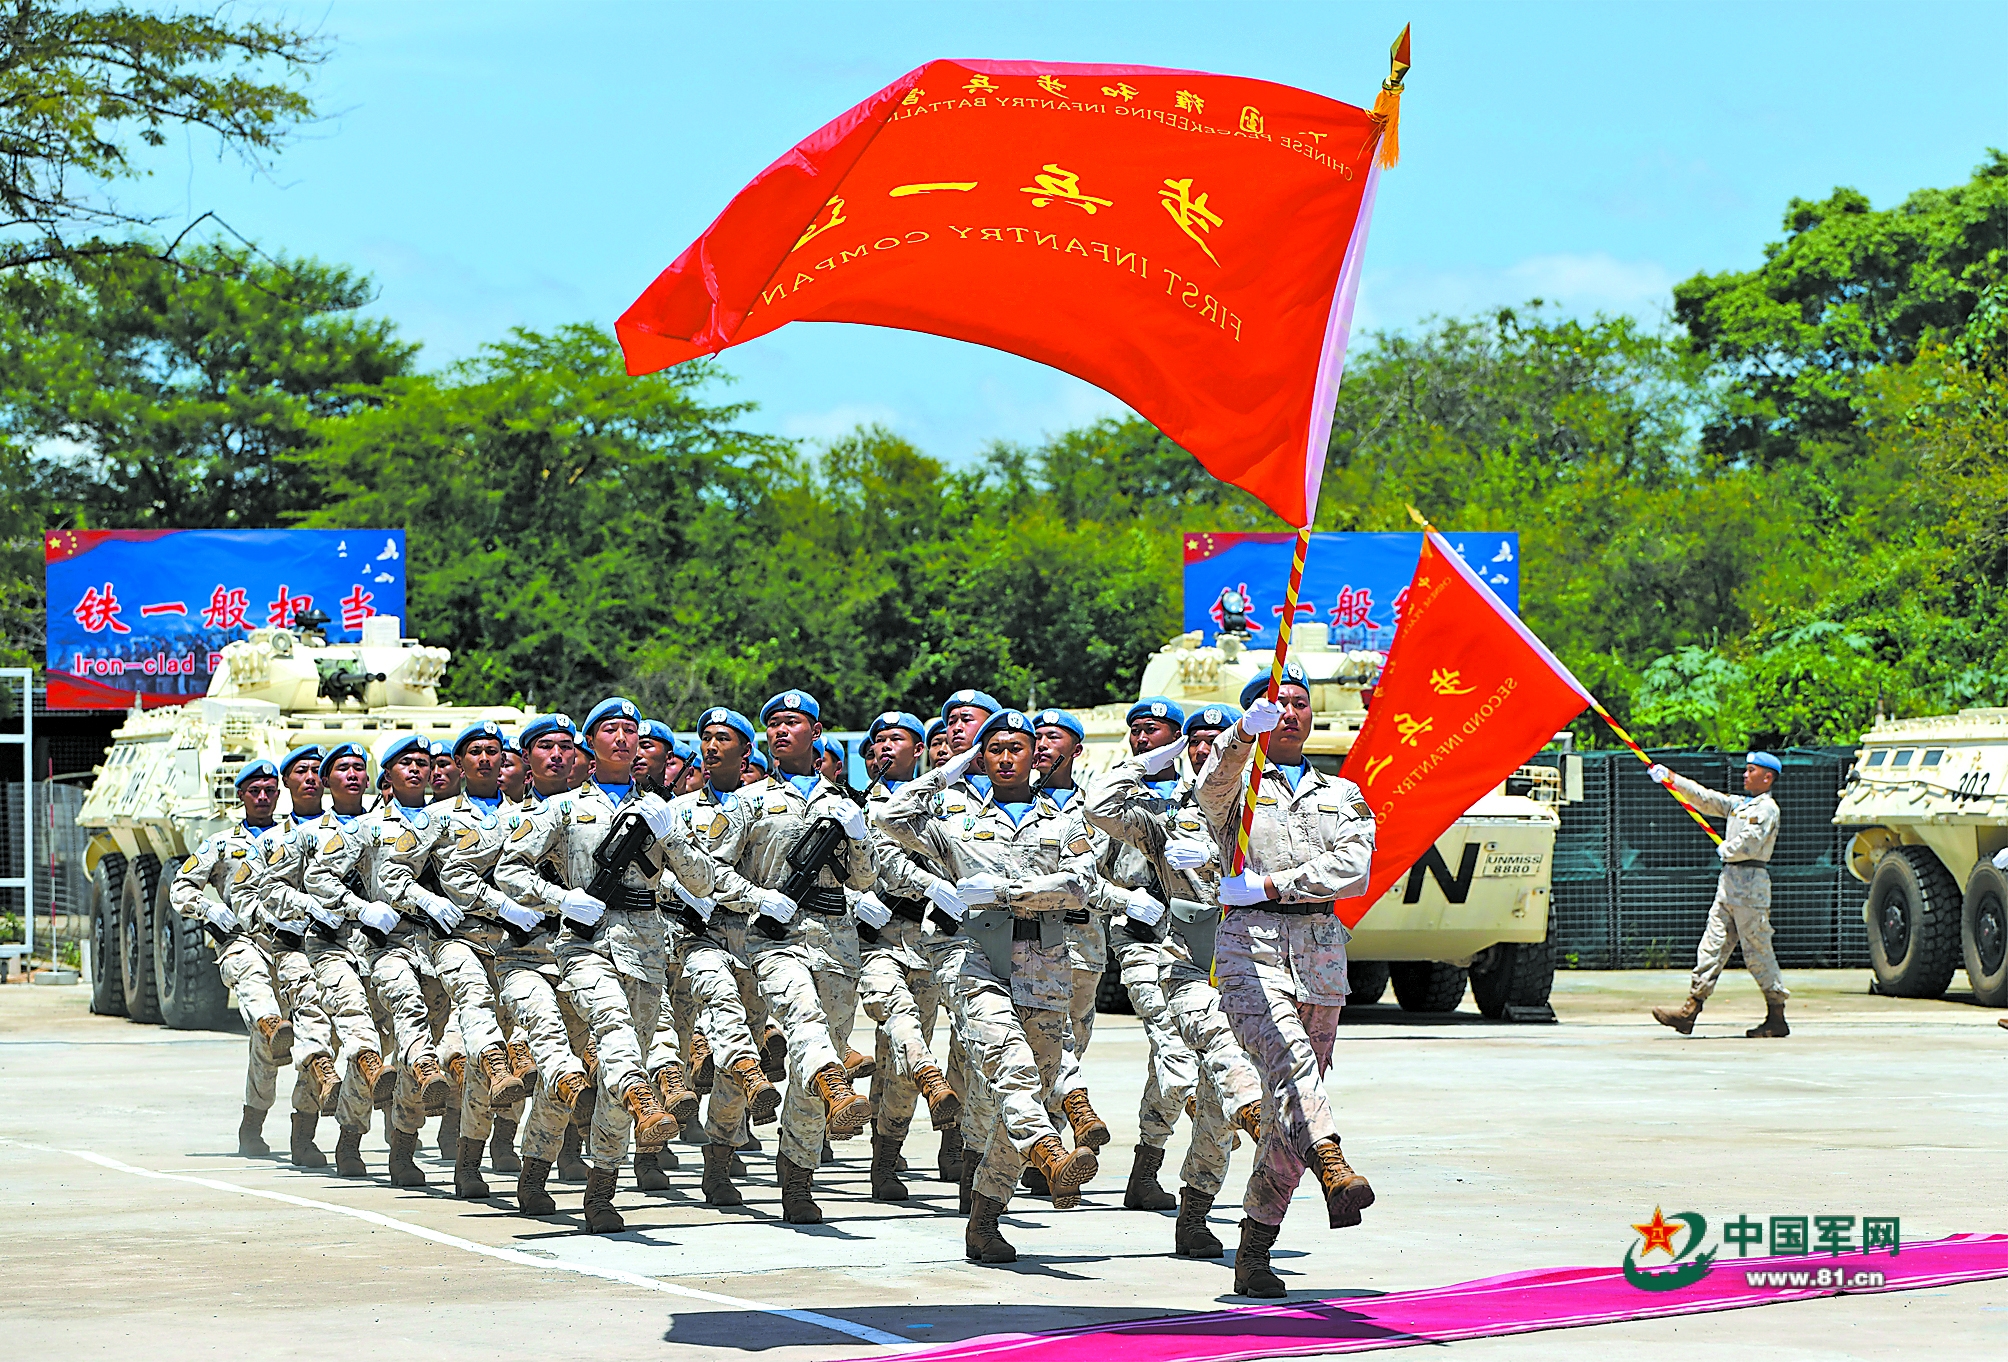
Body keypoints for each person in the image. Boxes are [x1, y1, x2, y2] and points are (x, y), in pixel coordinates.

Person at [877, 709, 1101, 1264]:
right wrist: (951, 767)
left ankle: (985, 1215)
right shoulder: (952, 815)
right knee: (1009, 1063)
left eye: (1015, 748)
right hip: (969, 953)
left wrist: (1006, 891)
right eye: (992, 748)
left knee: (1036, 1078)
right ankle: (1048, 1152)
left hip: (1043, 956)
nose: (1004, 757)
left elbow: (1084, 885)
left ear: (1034, 755)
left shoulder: (1063, 819)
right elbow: (890, 819)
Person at [1196, 663, 1377, 1299]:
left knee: (1290, 1109)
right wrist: (1240, 736)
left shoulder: (1343, 792)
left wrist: (1274, 882)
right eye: (1278, 703)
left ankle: (1254, 1249)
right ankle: (1333, 1158)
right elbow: (1208, 789)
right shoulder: (1237, 787)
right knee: (1294, 1066)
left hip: (1320, 950)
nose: (1291, 712)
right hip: (1251, 944)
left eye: (1299, 703)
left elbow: (1355, 867)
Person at [495, 702, 709, 1232]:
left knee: (616, 1062)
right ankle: (541, 1164)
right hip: (583, 945)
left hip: (645, 948)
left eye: (630, 730)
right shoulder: (562, 809)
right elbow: (509, 870)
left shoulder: (664, 813)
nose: (621, 738)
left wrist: (672, 833)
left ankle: (600, 1188)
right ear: (590, 743)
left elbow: (703, 881)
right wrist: (561, 899)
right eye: (609, 730)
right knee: (615, 1040)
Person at [1088, 701, 1267, 1259]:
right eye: (1194, 740)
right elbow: (1095, 838)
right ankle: (1166, 1162)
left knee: (1208, 1083)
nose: (1204, 748)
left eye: (1216, 739)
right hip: (1156, 949)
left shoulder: (1262, 806)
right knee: (1178, 1056)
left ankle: (1178, 1195)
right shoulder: (1160, 808)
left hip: (1242, 959)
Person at [702, 688, 877, 1224]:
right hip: (773, 939)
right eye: (773, 724)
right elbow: (711, 869)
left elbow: (867, 878)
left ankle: (796, 1178)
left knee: (814, 1061)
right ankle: (718, 1152)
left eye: (793, 723)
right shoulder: (748, 803)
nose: (781, 731)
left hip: (836, 939)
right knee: (805, 1028)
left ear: (816, 735)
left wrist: (858, 835)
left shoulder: (843, 805)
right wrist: (758, 898)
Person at [438, 721, 591, 1217]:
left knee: (570, 1059)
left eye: (567, 747)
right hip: (495, 945)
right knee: (505, 1060)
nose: (558, 756)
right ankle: (470, 1158)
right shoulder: (492, 822)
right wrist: (505, 906)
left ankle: (550, 1157)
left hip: (566, 950)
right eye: (546, 747)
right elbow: (456, 873)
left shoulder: (579, 815)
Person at [389, 722, 536, 1199]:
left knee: (492, 1061)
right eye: (475, 752)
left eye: (494, 751)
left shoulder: (531, 816)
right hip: (454, 940)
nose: (486, 759)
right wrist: (426, 900)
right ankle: (403, 1143)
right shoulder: (436, 817)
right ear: (458, 763)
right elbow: (393, 874)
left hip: (516, 945)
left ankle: (470, 1157)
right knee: (465, 1024)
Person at [304, 734, 455, 1188]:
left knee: (410, 1055)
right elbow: (320, 877)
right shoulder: (368, 829)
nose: (416, 769)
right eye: (405, 763)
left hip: (431, 947)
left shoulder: (446, 822)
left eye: (424, 762)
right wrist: (360, 906)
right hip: (373, 946)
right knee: (391, 1044)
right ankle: (351, 1135)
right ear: (387, 775)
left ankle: (403, 1144)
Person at [170, 759, 333, 1158]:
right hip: (243, 941)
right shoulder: (221, 844)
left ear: (278, 794)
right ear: (241, 796)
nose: (263, 797)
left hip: (294, 944)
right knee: (266, 1017)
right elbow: (180, 889)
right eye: (254, 791)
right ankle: (256, 1114)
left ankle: (300, 1132)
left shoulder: (294, 837)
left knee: (308, 1035)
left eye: (269, 791)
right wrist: (209, 910)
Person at [669, 706, 784, 1207]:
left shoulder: (766, 805)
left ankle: (718, 1158)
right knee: (710, 1021)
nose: (711, 746)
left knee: (733, 1064)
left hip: (754, 939)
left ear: (745, 750)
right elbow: (659, 865)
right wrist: (686, 889)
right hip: (693, 937)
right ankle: (657, 1148)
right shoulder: (677, 809)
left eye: (723, 739)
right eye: (706, 738)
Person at [853, 710, 962, 1200]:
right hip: (875, 941)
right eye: (877, 741)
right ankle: (926, 1087)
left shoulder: (940, 805)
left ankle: (887, 1151)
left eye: (896, 739)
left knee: (896, 1062)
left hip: (927, 940)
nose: (883, 747)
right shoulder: (851, 802)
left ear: (919, 749)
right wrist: (858, 900)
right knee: (903, 1028)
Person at [1650, 753, 1789, 1038]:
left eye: (1752, 771)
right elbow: (1706, 799)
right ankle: (1690, 1010)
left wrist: (1726, 849)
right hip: (1729, 883)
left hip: (1751, 884)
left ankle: (1776, 1016)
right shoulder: (1740, 805)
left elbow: (1750, 842)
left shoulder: (1766, 809)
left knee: (1757, 952)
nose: (1745, 775)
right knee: (1711, 946)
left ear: (1768, 777)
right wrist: (1673, 779)